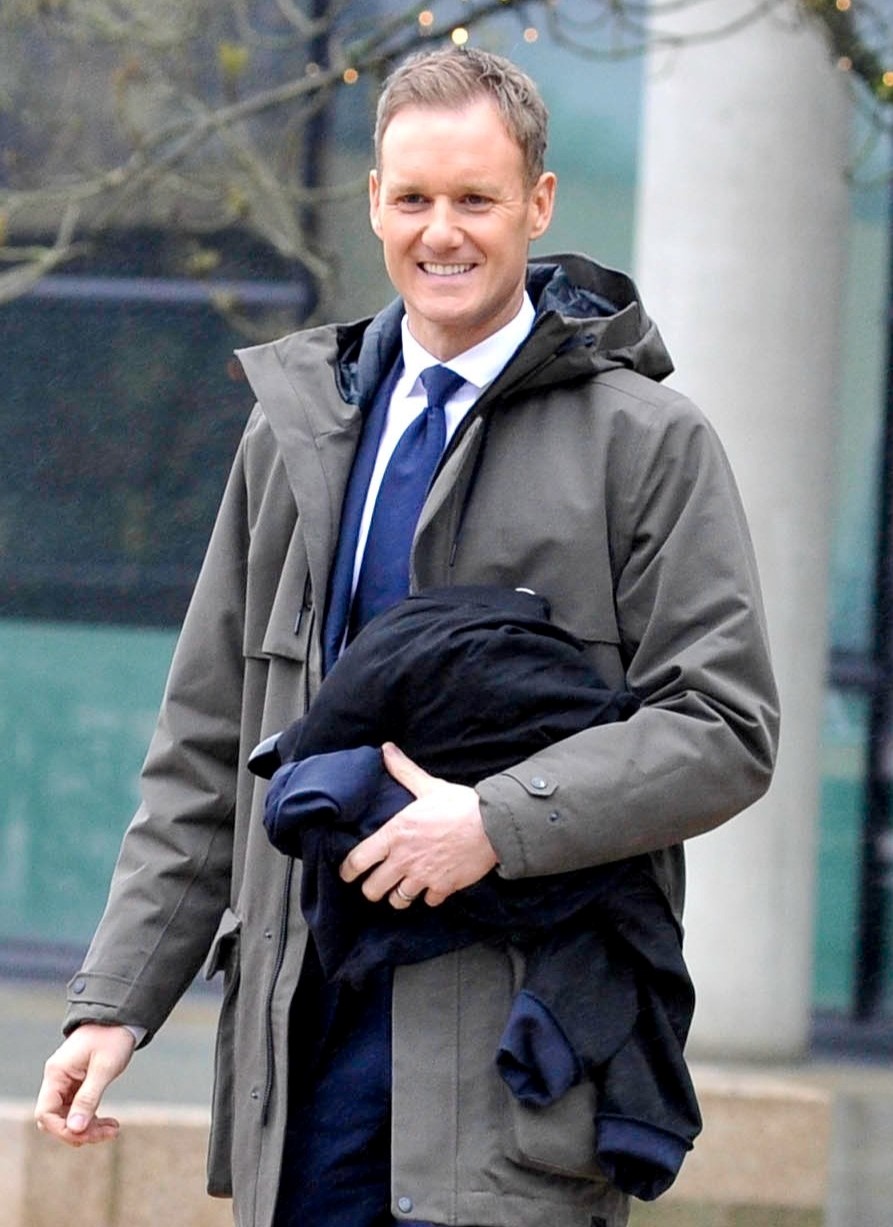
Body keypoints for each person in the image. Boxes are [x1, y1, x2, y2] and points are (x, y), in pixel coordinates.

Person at [34, 45, 779, 1227]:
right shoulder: (294, 434)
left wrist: (489, 824)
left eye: (475, 199)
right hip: (304, 1056)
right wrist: (116, 1001)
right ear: (375, 201)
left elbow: (723, 727)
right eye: (413, 198)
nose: (442, 233)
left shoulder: (647, 443)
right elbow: (207, 747)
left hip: (508, 1080)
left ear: (536, 204)